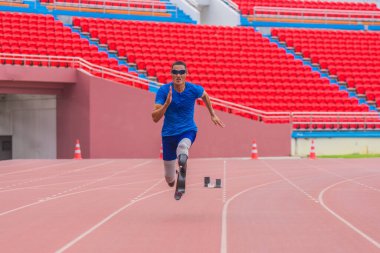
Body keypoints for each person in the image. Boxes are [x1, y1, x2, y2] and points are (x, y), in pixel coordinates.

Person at [152, 61, 225, 197]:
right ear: (171, 74)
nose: (178, 75)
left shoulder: (193, 89)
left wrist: (212, 114)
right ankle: (175, 177)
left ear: (186, 74)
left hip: (188, 130)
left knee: (183, 147)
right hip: (168, 135)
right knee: (169, 180)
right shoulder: (164, 91)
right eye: (175, 72)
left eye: (181, 72)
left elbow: (205, 95)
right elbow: (154, 118)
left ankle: (182, 175)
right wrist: (166, 104)